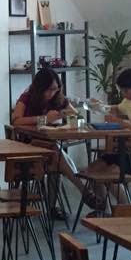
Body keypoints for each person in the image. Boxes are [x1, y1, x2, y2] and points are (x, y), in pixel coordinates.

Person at [10, 68, 85, 198]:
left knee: (56, 154)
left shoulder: (58, 98)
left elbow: (78, 117)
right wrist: (44, 119)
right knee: (56, 153)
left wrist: (66, 114)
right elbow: (16, 121)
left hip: (48, 142)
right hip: (27, 145)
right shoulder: (27, 97)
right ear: (40, 88)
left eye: (56, 89)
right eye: (49, 89)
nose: (52, 93)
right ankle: (83, 190)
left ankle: (81, 192)